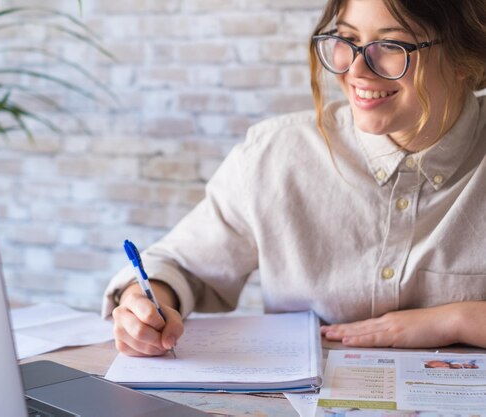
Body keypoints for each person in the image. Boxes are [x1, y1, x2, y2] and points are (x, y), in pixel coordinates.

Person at [102, 0, 486, 357]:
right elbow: (181, 265)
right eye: (348, 39)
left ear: (463, 56)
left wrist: (458, 320)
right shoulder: (277, 153)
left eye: (390, 45)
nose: (355, 69)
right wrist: (142, 303)